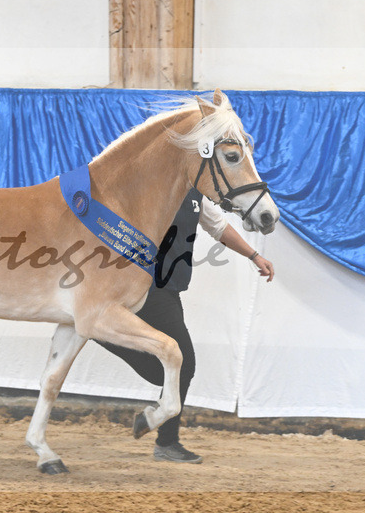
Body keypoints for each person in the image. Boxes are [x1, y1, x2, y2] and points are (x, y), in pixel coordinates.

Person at [98, 188, 274, 463]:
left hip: (168, 288)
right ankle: (166, 441)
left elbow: (219, 227)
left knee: (172, 369)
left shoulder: (195, 194)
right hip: (144, 285)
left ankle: (101, 333)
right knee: (182, 364)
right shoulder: (148, 182)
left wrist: (253, 256)